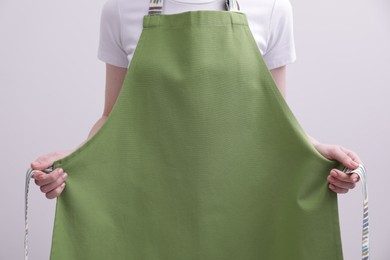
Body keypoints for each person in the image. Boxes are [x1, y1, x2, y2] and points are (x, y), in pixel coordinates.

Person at [30, 0, 362, 199]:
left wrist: (317, 153)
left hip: (241, 202)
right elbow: (112, 117)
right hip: (149, 197)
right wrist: (75, 163)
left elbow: (275, 120)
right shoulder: (121, 7)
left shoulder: (271, 7)